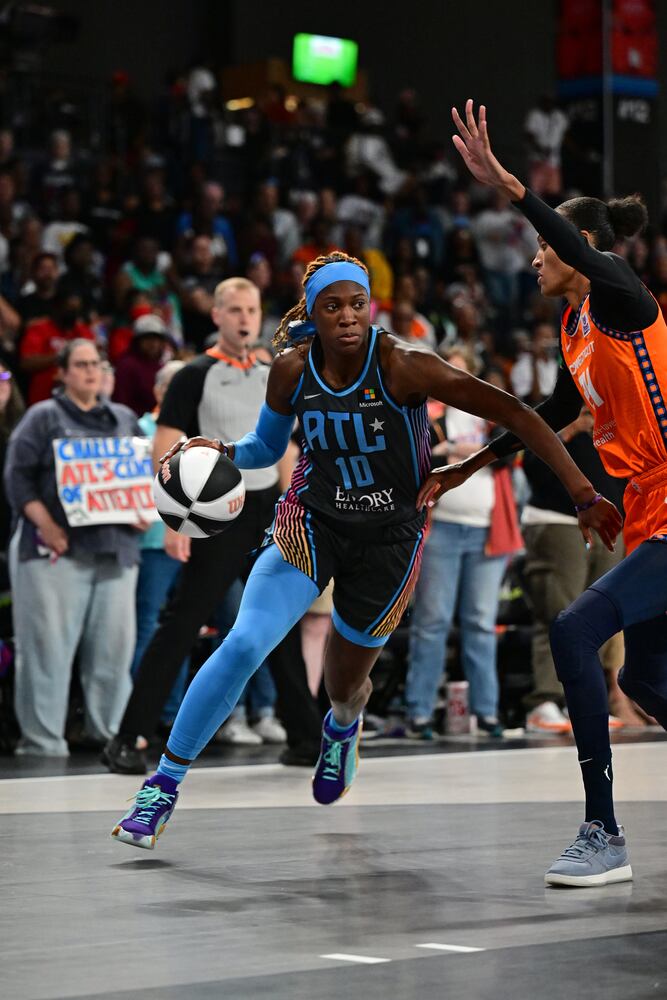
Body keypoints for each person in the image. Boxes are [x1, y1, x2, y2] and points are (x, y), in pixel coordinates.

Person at [109, 249, 619, 851]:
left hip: (390, 538)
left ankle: (342, 728)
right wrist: (221, 451)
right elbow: (265, 450)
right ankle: (162, 787)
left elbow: (517, 413)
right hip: (311, 521)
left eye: (357, 303)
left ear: (369, 307)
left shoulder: (406, 365)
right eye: (333, 307)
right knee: (246, 640)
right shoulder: (292, 369)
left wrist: (581, 490)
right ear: (314, 314)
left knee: (344, 684)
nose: (348, 316)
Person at [449, 99, 667, 886]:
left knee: (574, 631)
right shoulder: (574, 331)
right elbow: (548, 415)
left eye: (546, 246)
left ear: (583, 253)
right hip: (645, 510)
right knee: (642, 679)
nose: (534, 258)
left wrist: (510, 185)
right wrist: (472, 464)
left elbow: (575, 242)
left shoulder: (623, 302)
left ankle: (601, 833)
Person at [102, 277, 323, 775]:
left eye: (252, 309)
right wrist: (175, 518)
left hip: (269, 504)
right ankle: (130, 736)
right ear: (217, 315)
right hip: (214, 512)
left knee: (278, 622)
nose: (245, 318)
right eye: (235, 310)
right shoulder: (193, 374)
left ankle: (306, 737)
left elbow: (285, 447)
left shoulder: (277, 369)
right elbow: (167, 442)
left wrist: (295, 504)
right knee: (184, 621)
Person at [5, 340, 143, 756]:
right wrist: (45, 524)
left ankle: (111, 733)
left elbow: (142, 473)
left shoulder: (124, 417)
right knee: (47, 649)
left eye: (96, 365)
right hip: (54, 549)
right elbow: (17, 479)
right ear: (62, 373)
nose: (90, 372)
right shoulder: (42, 416)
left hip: (117, 549)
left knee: (113, 653)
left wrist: (142, 505)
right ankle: (43, 741)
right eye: (80, 365)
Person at [404, 345, 521, 738]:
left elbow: (510, 453)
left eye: (459, 373)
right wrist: (451, 449)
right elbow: (419, 458)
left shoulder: (489, 415)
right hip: (444, 529)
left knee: (481, 624)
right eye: (445, 372)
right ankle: (419, 712)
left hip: (487, 531)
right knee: (431, 623)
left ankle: (487, 713)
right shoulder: (428, 415)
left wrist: (463, 450)